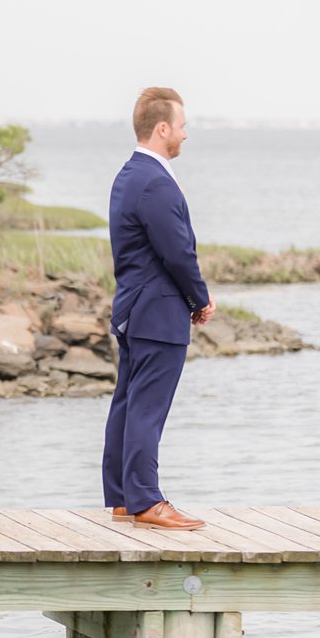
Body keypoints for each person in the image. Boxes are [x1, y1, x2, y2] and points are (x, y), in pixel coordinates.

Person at [100, 87, 213, 531]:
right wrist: (200, 299)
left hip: (135, 307)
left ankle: (124, 498)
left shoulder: (129, 174)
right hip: (157, 313)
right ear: (162, 128)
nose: (185, 136)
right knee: (146, 407)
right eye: (182, 127)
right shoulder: (154, 181)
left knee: (128, 403)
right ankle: (146, 500)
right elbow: (177, 253)